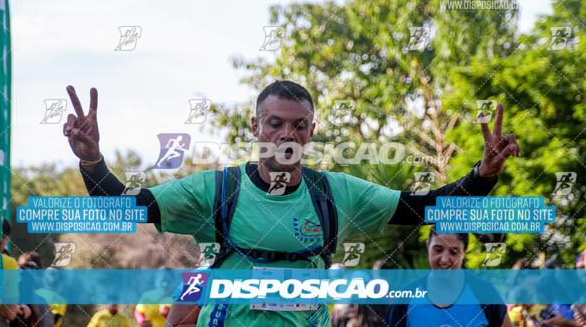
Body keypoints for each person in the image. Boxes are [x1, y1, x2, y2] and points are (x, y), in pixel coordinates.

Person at [63, 81, 520, 326]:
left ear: (312, 132)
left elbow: (425, 208)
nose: (287, 135)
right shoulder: (217, 191)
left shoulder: (336, 193)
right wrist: (93, 161)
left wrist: (482, 176)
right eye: (275, 124)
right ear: (257, 127)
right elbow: (128, 206)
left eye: (298, 126)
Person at [386, 226, 513, 327]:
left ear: (464, 251)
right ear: (427, 246)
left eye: (454, 252)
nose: (445, 259)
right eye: (438, 249)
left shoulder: (484, 293)